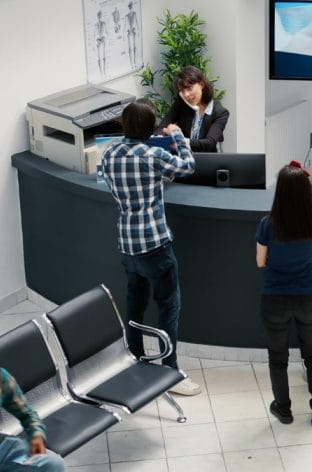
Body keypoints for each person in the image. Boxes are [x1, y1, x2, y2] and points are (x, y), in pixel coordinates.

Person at [101, 98, 201, 396]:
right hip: (155, 243)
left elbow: (108, 180)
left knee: (135, 305)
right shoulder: (153, 154)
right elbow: (188, 167)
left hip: (127, 243)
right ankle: (169, 373)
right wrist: (180, 139)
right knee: (169, 307)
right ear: (151, 127)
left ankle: (133, 359)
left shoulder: (110, 154)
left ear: (124, 124)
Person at [256, 161, 312, 428]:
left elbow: (260, 262)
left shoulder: (267, 224)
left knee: (278, 358)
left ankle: (283, 410)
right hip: (309, 295)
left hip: (275, 298)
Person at [158, 66, 229, 153]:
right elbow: (161, 128)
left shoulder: (220, 113)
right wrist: (160, 136)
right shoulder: (181, 104)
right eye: (182, 91)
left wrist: (181, 140)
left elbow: (209, 143)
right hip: (181, 160)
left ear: (202, 84)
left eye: (189, 88)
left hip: (206, 161)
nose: (186, 94)